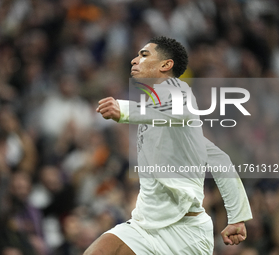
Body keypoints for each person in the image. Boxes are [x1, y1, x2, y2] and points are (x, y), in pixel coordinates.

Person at [84, 36, 252, 254]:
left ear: (166, 64)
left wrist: (124, 110)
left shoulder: (178, 91)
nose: (135, 60)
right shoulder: (156, 109)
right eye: (136, 55)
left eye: (144, 55)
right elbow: (220, 160)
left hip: (185, 234)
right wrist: (237, 217)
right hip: (144, 225)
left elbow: (174, 111)